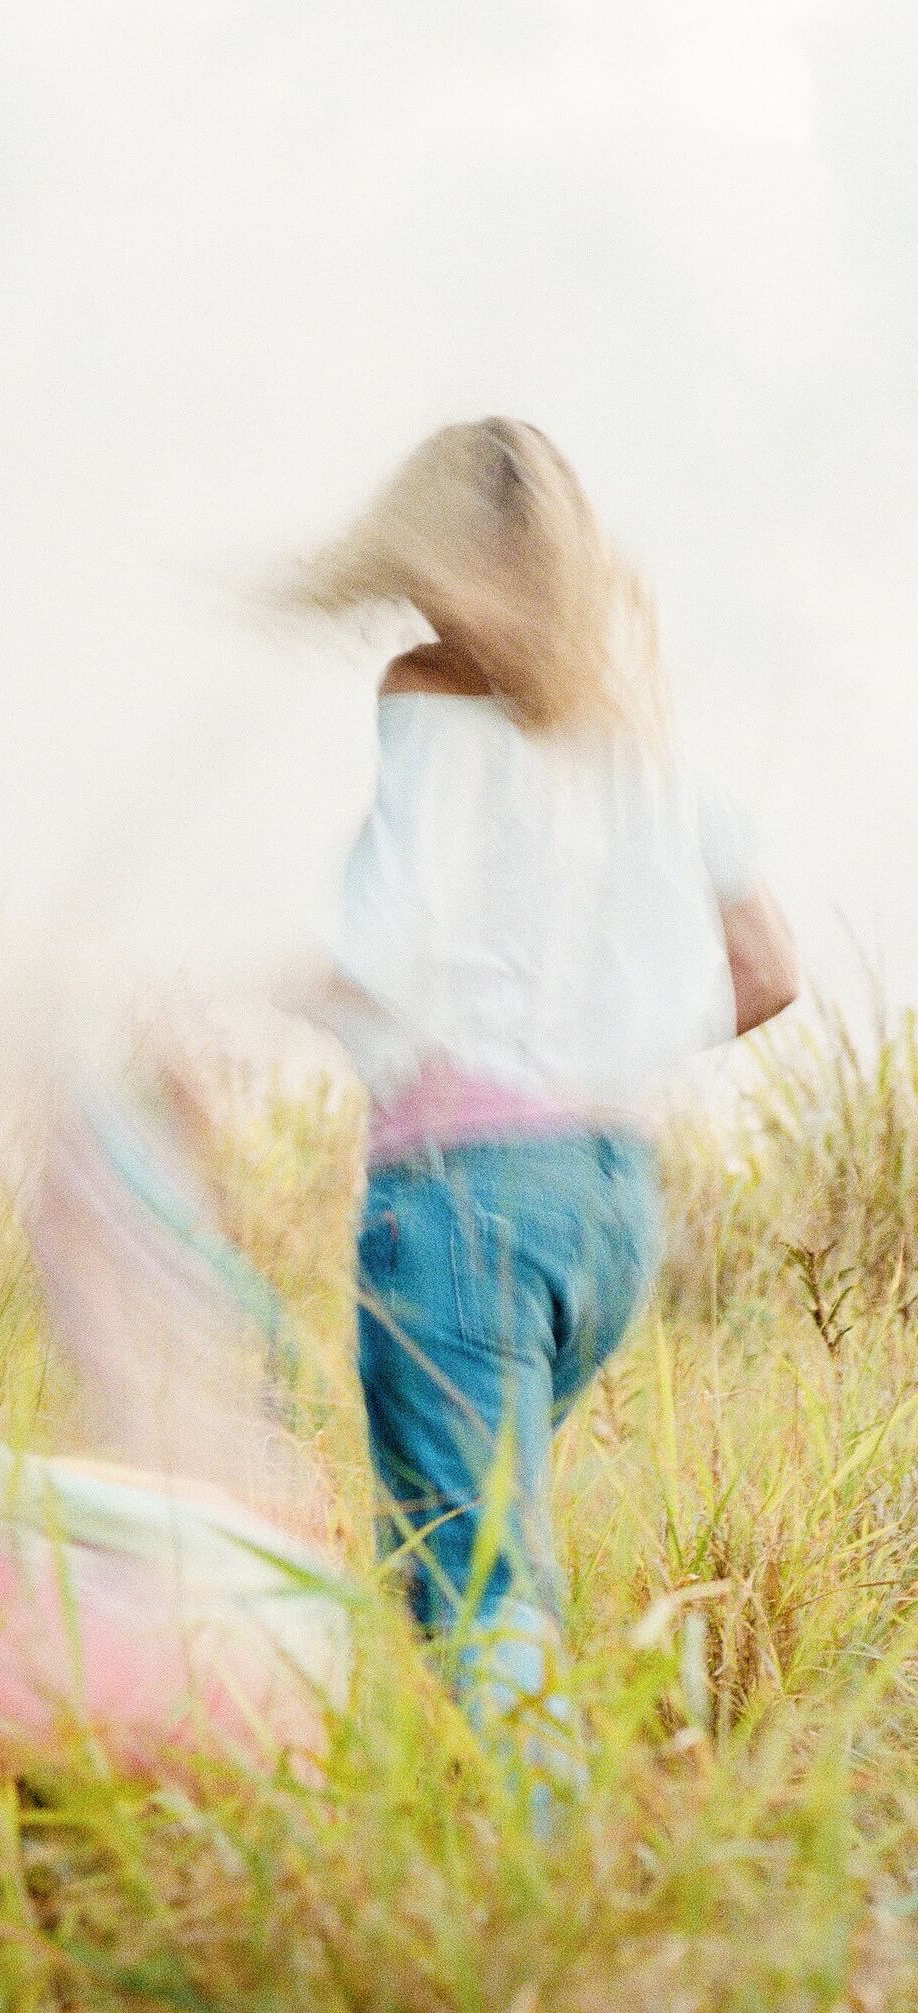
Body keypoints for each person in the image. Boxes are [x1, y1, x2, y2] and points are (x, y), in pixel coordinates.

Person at [271, 417, 798, 1787]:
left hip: (463, 1208)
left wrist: (222, 973)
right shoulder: (651, 736)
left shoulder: (429, 695)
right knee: (495, 1541)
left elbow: (389, 946)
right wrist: (593, 1047)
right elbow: (768, 966)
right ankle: (485, 1817)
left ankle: (543, 1911)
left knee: (480, 1577)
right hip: (609, 1206)